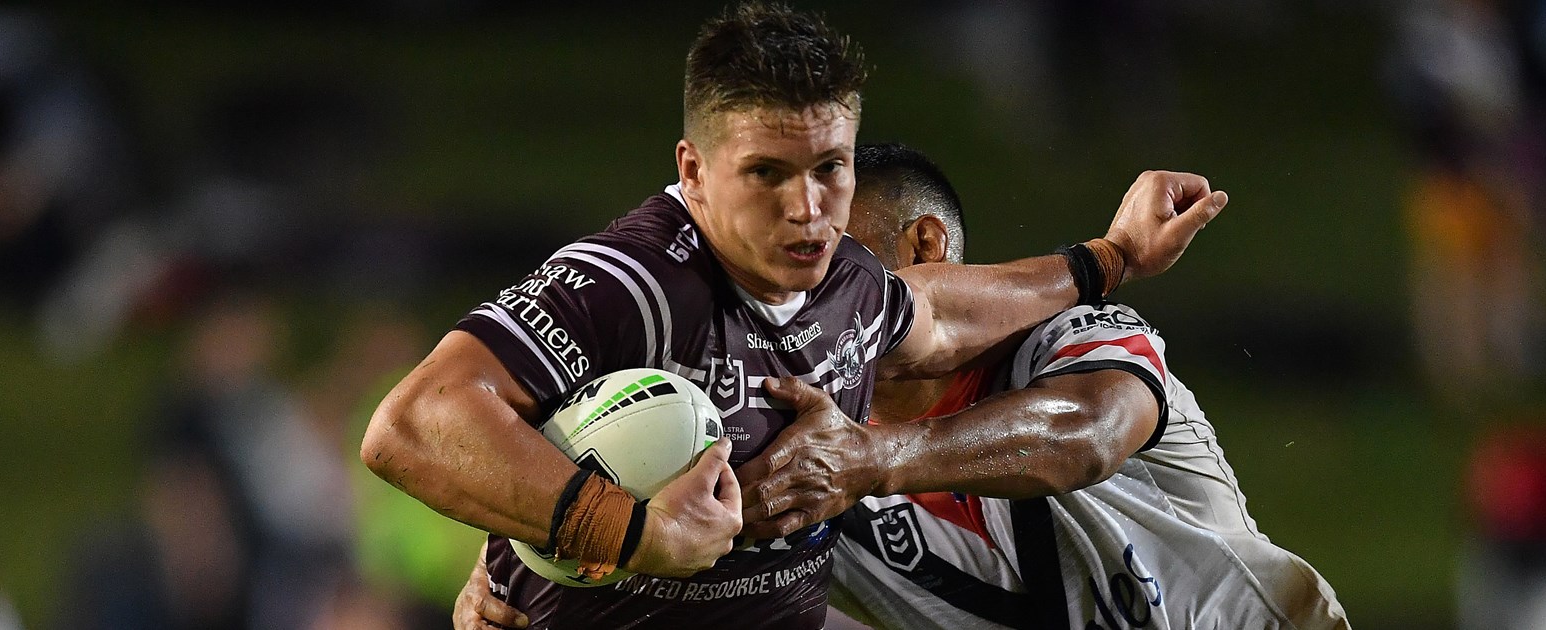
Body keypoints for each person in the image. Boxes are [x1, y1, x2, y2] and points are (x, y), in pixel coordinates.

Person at [363, 3, 1226, 628]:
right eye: (768, 173)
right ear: (694, 171)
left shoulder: (845, 279)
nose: (808, 207)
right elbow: (412, 423)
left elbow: (938, 313)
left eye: (830, 168)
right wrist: (630, 532)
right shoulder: (631, 283)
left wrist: (1108, 259)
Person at [453, 143, 1345, 629]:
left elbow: (1090, 432)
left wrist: (875, 460)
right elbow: (639, 465)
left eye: (830, 256)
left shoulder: (1071, 335)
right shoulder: (804, 440)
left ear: (922, 252)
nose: (801, 290)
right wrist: (518, 569)